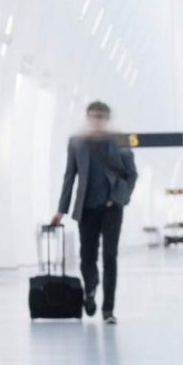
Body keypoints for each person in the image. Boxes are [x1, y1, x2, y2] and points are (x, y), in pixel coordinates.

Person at [55, 100, 138, 324]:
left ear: (107, 120)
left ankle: (108, 310)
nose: (97, 122)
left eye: (101, 118)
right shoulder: (76, 142)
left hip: (112, 208)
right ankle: (90, 289)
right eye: (93, 117)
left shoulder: (120, 140)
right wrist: (61, 210)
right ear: (88, 118)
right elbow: (69, 176)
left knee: (110, 256)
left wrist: (118, 198)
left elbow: (131, 175)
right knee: (87, 258)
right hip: (87, 208)